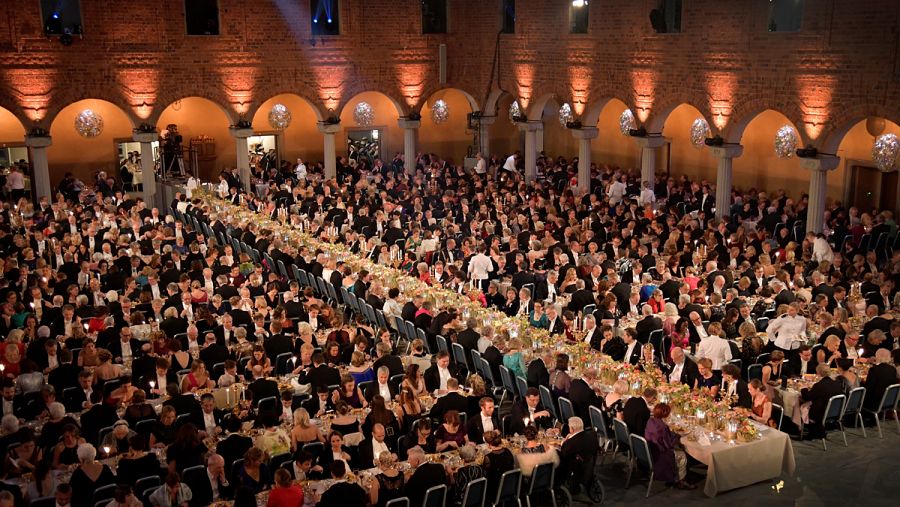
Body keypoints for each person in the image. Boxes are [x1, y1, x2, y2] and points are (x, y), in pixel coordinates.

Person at [644, 403, 695, 489]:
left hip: (651, 450)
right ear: (665, 414)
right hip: (660, 454)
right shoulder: (662, 427)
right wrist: (678, 436)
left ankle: (676, 475)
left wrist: (673, 434)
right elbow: (669, 445)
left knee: (679, 448)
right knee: (682, 455)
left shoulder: (651, 421)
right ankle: (681, 481)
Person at [800, 364, 845, 439]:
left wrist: (804, 388)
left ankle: (801, 430)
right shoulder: (837, 383)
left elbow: (807, 397)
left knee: (802, 405)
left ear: (819, 373)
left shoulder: (819, 385)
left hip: (821, 413)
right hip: (836, 411)